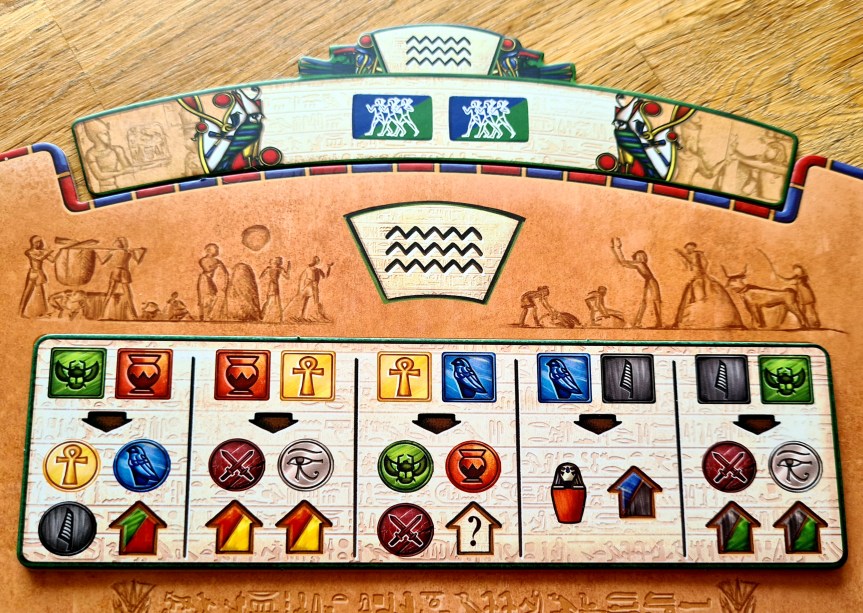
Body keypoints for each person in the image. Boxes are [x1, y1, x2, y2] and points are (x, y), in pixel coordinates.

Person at [673, 242, 743, 329]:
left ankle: (705, 322)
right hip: (696, 279)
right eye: (687, 249)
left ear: (694, 248)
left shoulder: (697, 255)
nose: (688, 250)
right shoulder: (693, 256)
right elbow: (689, 266)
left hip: (701, 279)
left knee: (703, 296)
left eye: (690, 248)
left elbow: (698, 264)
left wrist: (682, 254)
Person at [611, 238, 662, 328]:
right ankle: (642, 322)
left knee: (654, 301)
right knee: (649, 301)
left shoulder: (640, 263)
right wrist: (617, 249)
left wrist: (617, 249)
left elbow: (623, 262)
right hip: (650, 281)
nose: (640, 257)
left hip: (651, 281)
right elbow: (623, 263)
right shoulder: (640, 264)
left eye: (641, 255)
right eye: (639, 255)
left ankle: (656, 323)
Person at [99, 237, 146, 320]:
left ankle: (134, 316)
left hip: (122, 272)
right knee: (112, 294)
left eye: (118, 242)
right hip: (118, 272)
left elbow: (138, 261)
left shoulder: (127, 252)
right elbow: (102, 261)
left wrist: (143, 252)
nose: (116, 243)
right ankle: (102, 314)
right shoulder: (117, 251)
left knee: (127, 295)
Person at [81, 119, 134, 192]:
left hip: (117, 187)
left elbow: (129, 168)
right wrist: (121, 172)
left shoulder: (117, 149)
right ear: (96, 136)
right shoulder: (91, 154)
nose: (108, 136)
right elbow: (100, 175)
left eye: (108, 133)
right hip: (104, 189)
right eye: (105, 134)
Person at [285, 256, 333, 322]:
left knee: (309, 301)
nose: (318, 262)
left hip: (312, 286)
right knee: (309, 301)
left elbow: (325, 276)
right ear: (317, 262)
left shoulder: (316, 270)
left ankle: (305, 316)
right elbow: (302, 279)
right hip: (309, 286)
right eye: (317, 261)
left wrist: (329, 268)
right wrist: (301, 288)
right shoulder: (309, 269)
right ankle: (302, 316)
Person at [774, 264, 819, 328]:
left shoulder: (803, 276)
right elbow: (788, 280)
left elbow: (795, 281)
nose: (796, 271)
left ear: (801, 270)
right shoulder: (796, 276)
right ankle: (806, 324)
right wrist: (779, 276)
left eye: (798, 270)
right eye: (795, 270)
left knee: (811, 310)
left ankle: (816, 323)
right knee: (802, 310)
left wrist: (789, 281)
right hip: (801, 297)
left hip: (807, 295)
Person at [19, 235, 54, 318]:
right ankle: (25, 312)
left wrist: (58, 252)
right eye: (36, 242)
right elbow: (39, 258)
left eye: (39, 242)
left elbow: (52, 260)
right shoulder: (29, 252)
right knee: (29, 292)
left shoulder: (42, 252)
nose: (38, 244)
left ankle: (39, 312)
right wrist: (47, 252)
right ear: (32, 242)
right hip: (34, 273)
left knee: (39, 292)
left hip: (39, 273)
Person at [197, 243, 228, 320]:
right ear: (208, 250)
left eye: (217, 248)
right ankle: (204, 316)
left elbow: (225, 271)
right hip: (204, 280)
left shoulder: (217, 261)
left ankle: (211, 315)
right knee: (205, 298)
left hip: (211, 280)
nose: (217, 250)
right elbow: (207, 268)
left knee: (213, 296)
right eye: (215, 248)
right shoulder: (203, 260)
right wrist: (217, 265)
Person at [259, 257, 290, 323]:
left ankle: (268, 316)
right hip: (274, 285)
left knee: (271, 299)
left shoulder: (271, 269)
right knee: (272, 299)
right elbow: (287, 277)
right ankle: (270, 317)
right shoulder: (278, 269)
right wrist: (288, 269)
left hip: (272, 285)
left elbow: (261, 277)